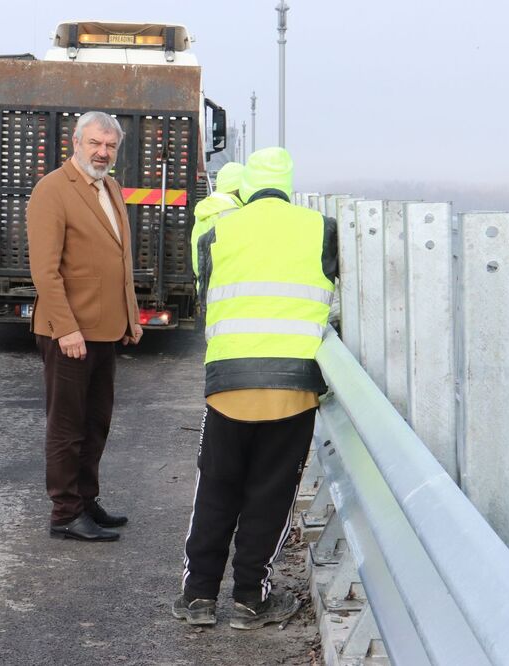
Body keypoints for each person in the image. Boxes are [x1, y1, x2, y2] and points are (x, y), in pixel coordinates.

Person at [173, 147, 337, 629]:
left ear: (245, 186)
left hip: (229, 383)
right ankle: (250, 599)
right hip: (293, 388)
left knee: (217, 489)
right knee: (271, 493)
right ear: (288, 182)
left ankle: (198, 597)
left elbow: (206, 289)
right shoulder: (320, 228)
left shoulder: (221, 229)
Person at [26, 111, 143, 542]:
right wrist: (65, 328)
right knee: (67, 426)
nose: (102, 152)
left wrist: (130, 318)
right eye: (95, 143)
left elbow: (120, 262)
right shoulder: (53, 190)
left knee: (96, 423)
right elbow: (45, 271)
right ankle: (65, 513)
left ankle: (86, 501)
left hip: (105, 329)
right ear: (76, 142)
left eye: (110, 145)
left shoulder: (110, 187)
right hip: (70, 332)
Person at [190, 161, 243, 277]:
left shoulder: (205, 211)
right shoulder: (232, 213)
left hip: (207, 286)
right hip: (226, 286)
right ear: (238, 188)